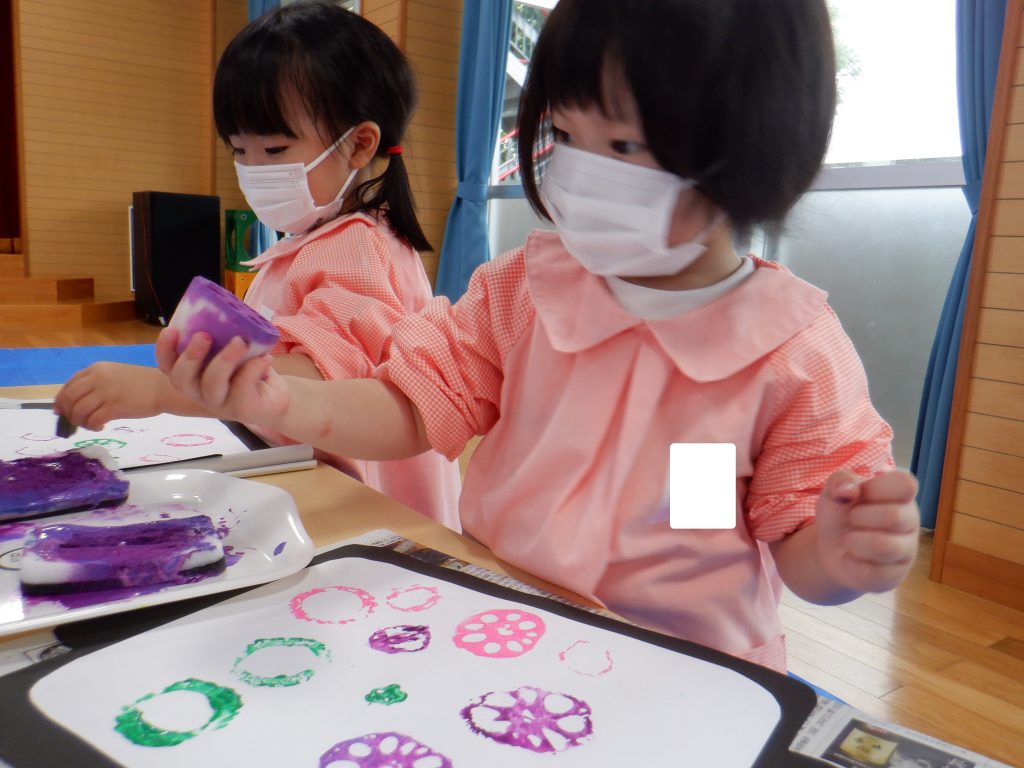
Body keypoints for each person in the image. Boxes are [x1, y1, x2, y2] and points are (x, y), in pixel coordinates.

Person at [152, 0, 920, 673]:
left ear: (756, 147)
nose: (582, 174)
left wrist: (842, 556)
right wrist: (285, 401)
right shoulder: (525, 288)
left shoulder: (790, 350)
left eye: (625, 147)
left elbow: (801, 548)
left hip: (675, 670)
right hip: (500, 619)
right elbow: (408, 405)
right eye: (568, 135)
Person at [54, 0, 460, 530]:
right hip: (317, 477)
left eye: (273, 149)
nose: (251, 169)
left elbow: (315, 378)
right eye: (238, 151)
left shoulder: (355, 247)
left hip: (370, 514)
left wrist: (158, 391)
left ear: (360, 144)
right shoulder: (316, 239)